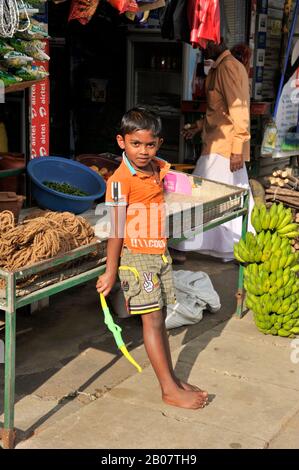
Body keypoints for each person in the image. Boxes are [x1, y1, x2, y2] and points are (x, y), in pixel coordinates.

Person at [96, 107, 208, 410]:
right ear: (122, 141)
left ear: (158, 143)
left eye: (149, 144)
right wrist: (110, 271)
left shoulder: (157, 168)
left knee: (159, 319)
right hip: (136, 257)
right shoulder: (119, 182)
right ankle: (168, 389)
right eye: (136, 144)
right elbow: (116, 229)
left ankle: (171, 378)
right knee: (153, 319)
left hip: (158, 252)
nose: (143, 151)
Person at [171, 38, 253, 262]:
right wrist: (197, 128)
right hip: (217, 144)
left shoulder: (228, 68)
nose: (200, 48)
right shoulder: (220, 68)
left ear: (218, 42)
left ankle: (184, 245)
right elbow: (218, 111)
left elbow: (239, 112)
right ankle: (239, 246)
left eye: (204, 43)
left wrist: (237, 149)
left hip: (224, 148)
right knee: (230, 197)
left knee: (200, 196)